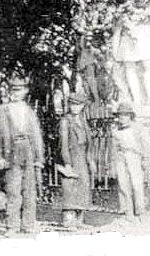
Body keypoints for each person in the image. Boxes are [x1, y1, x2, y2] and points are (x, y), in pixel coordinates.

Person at [0, 77, 45, 236]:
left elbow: (36, 136)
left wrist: (39, 158)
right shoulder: (2, 110)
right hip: (11, 152)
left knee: (29, 191)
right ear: (9, 92)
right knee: (13, 190)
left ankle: (28, 225)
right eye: (13, 90)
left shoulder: (29, 111)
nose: (16, 93)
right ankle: (12, 226)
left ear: (25, 91)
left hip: (28, 152)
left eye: (19, 90)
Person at [58, 94, 94, 229]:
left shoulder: (83, 120)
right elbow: (63, 144)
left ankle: (79, 220)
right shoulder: (65, 121)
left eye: (78, 105)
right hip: (72, 157)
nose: (75, 108)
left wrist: (90, 160)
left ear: (82, 106)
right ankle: (68, 220)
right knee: (70, 188)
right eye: (72, 104)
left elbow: (88, 142)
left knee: (83, 187)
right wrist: (67, 163)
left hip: (82, 157)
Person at [110, 102, 145, 218]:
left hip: (134, 156)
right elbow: (113, 146)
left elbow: (144, 144)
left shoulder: (137, 128)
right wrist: (113, 160)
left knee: (136, 183)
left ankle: (139, 210)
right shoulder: (115, 129)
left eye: (125, 115)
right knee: (123, 183)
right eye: (120, 115)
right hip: (120, 157)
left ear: (130, 116)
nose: (122, 117)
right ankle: (127, 210)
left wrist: (144, 158)